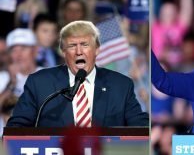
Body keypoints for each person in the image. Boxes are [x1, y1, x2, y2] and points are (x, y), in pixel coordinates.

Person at [6, 20, 149, 127]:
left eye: (85, 45)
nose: (79, 51)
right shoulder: (39, 83)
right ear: (63, 51)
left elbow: (140, 127)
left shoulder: (120, 85)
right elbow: (17, 128)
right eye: (72, 45)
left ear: (97, 49)